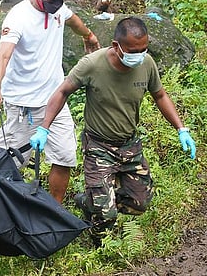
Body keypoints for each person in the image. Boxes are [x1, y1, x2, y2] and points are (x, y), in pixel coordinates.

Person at [30, 17, 196, 246]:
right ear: (116, 45)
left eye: (143, 49)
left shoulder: (146, 63)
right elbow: (62, 92)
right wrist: (44, 128)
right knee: (105, 215)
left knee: (140, 203)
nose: (138, 55)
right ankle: (98, 239)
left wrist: (181, 129)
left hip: (130, 145)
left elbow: (160, 95)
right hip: (99, 146)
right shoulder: (92, 64)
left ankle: (90, 200)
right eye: (132, 50)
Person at [0, 0, 101, 204]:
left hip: (55, 100)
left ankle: (54, 210)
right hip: (23, 106)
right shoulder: (18, 17)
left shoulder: (58, 7)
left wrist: (89, 35)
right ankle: (1, 209)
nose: (57, 5)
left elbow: (72, 19)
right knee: (6, 163)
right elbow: (3, 55)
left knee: (64, 157)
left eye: (61, 0)